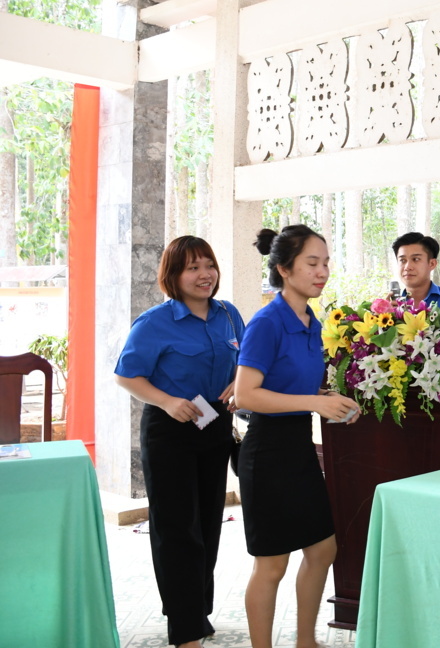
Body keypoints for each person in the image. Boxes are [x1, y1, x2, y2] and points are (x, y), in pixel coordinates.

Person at [234, 225, 361, 648]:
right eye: (312, 263)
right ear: (284, 269)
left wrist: (330, 399)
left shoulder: (311, 322)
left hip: (299, 450)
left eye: (325, 263)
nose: (322, 271)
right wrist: (313, 402)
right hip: (267, 453)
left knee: (323, 551)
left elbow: (293, 386)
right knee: (272, 565)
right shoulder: (267, 322)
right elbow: (246, 394)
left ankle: (306, 640)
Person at [113, 236, 244, 648]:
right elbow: (126, 375)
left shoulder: (228, 315)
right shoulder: (154, 322)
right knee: (176, 530)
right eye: (193, 268)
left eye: (209, 265)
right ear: (173, 275)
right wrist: (168, 401)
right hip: (170, 430)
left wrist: (238, 383)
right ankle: (185, 629)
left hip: (215, 425)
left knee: (207, 524)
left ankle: (196, 611)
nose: (205, 275)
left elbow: (244, 361)